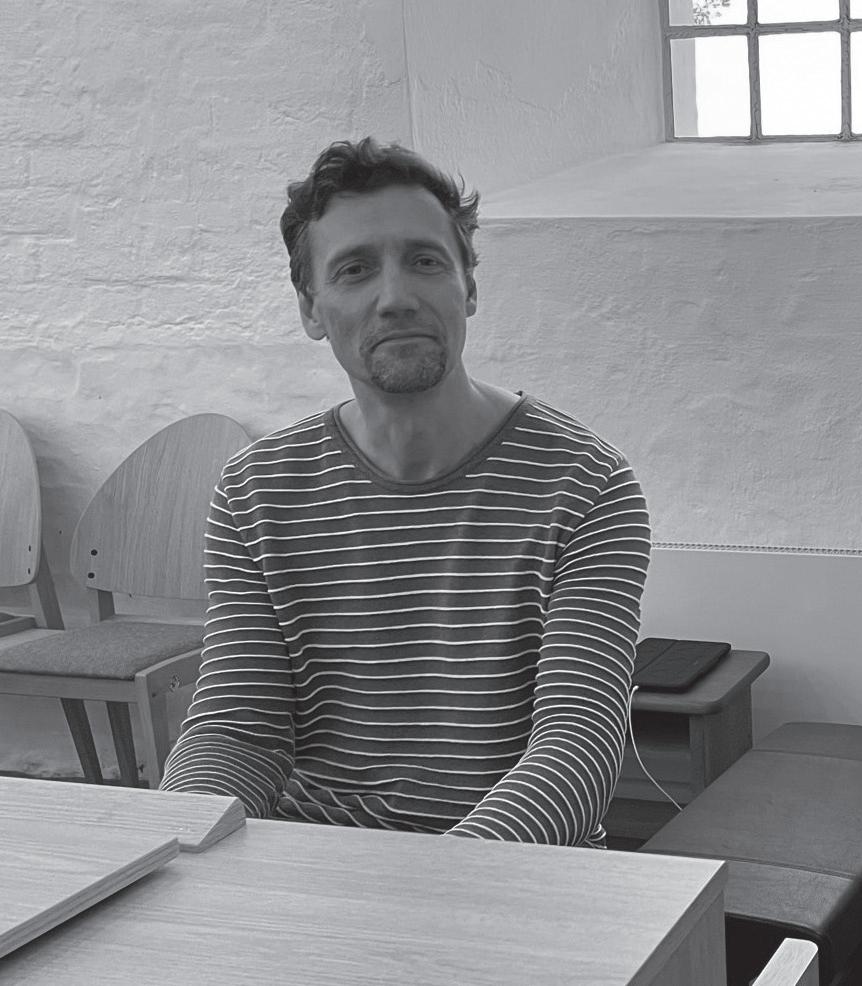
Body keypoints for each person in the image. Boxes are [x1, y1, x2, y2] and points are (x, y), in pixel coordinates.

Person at [159, 138, 651, 848]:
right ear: (311, 309)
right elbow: (240, 731)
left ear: (468, 287)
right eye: (355, 270)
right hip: (314, 862)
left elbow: (576, 748)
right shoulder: (256, 491)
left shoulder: (585, 484)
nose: (395, 298)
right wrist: (178, 847)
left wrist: (432, 884)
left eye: (425, 261)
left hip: (517, 869)